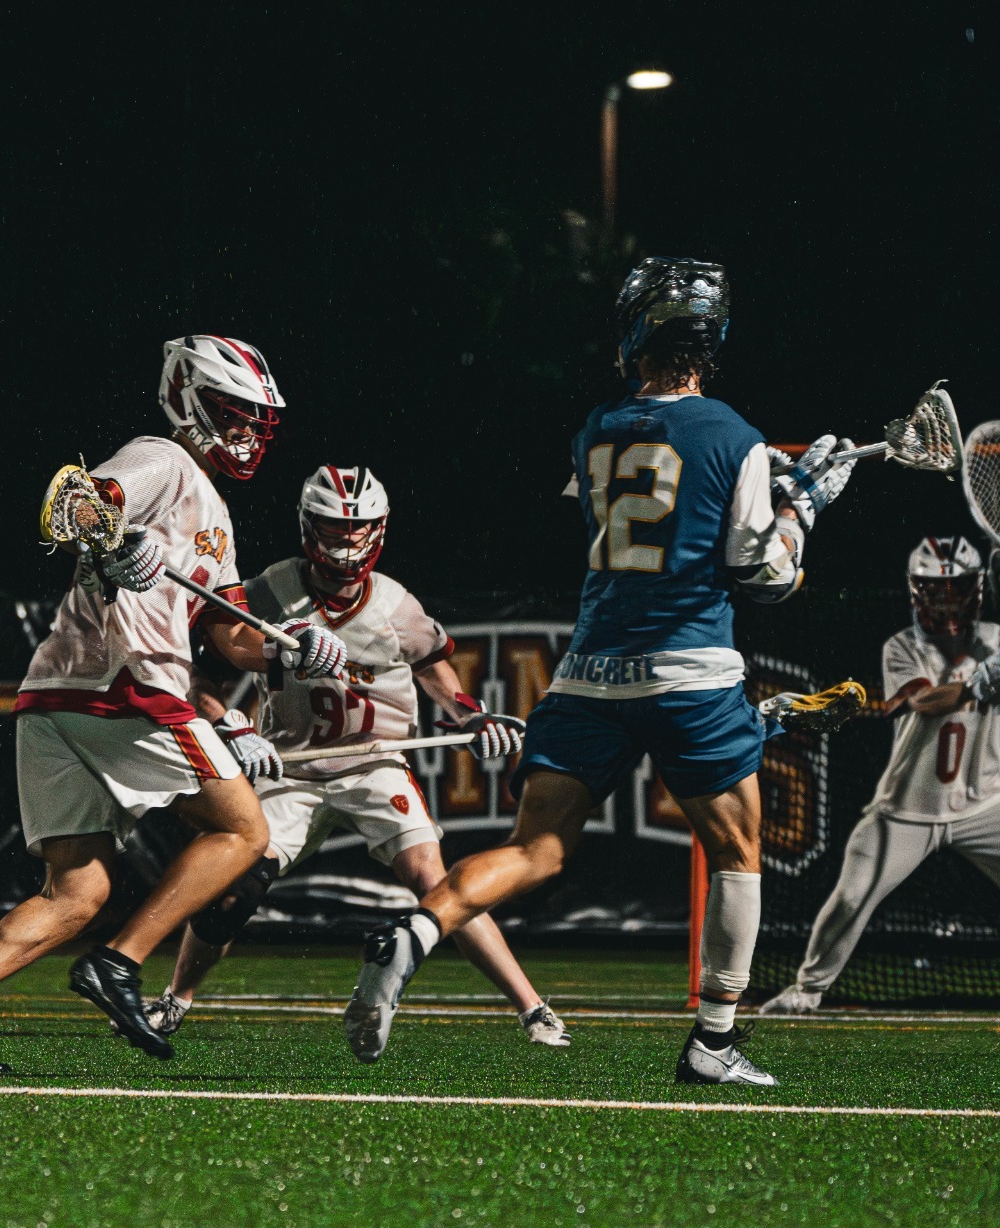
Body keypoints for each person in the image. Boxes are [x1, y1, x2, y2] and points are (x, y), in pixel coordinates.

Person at [348, 258, 859, 1086]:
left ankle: (413, 934)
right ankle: (714, 1040)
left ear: (637, 334)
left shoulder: (594, 428)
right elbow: (765, 575)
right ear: (711, 341)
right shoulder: (736, 435)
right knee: (737, 848)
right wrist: (802, 508)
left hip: (589, 672)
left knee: (537, 847)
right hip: (690, 670)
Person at [0, 335, 348, 1072]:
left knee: (78, 892)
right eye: (231, 415)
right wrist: (113, 540)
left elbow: (234, 638)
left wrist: (293, 645)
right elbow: (73, 499)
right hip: (126, 683)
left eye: (253, 422)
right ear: (188, 400)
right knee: (244, 829)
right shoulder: (163, 459)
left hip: (55, 696)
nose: (243, 433)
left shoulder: (212, 510)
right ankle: (119, 963)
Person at [141, 466, 566, 1057]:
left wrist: (471, 716)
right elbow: (201, 670)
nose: (348, 542)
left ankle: (531, 1006)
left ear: (380, 530)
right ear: (307, 528)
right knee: (233, 890)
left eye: (359, 529)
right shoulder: (268, 590)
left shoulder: (394, 603)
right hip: (290, 766)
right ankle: (175, 997)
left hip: (375, 766)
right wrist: (231, 725)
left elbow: (433, 665)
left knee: (434, 881)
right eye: (335, 528)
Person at [763, 538, 1000, 1016]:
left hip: (987, 804)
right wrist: (978, 681)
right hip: (906, 810)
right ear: (916, 592)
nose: (946, 599)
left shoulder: (995, 636)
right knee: (851, 898)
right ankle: (808, 989)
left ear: (977, 589)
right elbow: (921, 702)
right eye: (935, 588)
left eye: (956, 588)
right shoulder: (904, 647)